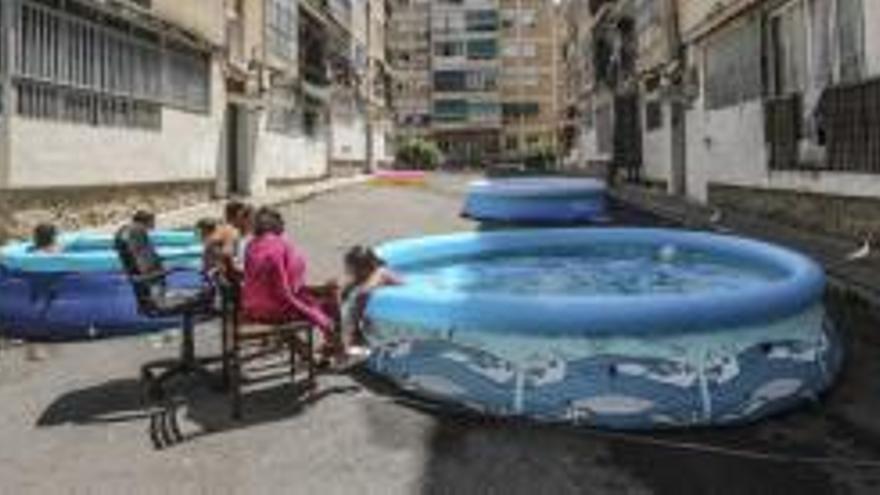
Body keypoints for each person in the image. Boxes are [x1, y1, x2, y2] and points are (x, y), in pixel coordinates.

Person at [241, 207, 344, 365]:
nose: (284, 225)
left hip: (253, 308)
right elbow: (283, 294)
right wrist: (318, 318)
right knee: (330, 298)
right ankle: (338, 347)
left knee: (323, 294)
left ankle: (316, 353)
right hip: (274, 311)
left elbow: (270, 284)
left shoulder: (251, 245)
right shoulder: (279, 247)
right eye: (281, 221)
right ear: (275, 224)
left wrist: (314, 290)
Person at [341, 245, 401, 347]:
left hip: (402, 314)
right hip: (388, 314)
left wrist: (356, 329)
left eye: (353, 269)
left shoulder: (381, 272)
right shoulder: (364, 275)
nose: (351, 273)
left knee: (357, 296)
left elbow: (364, 291)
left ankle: (358, 336)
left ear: (367, 266)